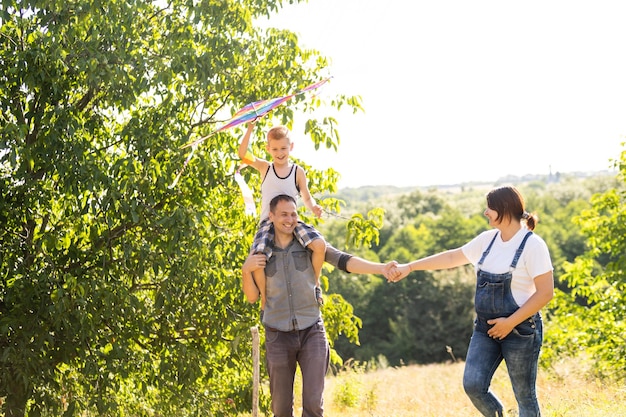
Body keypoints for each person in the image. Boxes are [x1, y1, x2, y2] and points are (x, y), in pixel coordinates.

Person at [389, 186, 554, 417]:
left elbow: (546, 293)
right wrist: (410, 267)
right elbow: (451, 257)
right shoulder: (488, 240)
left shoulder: (533, 245)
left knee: (524, 396)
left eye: (489, 207)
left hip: (521, 330)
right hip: (485, 330)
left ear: (504, 209)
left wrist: (510, 322)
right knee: (474, 385)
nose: (485, 212)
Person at [241, 194, 398, 417]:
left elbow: (343, 260)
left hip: (311, 330)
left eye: (293, 214)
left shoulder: (309, 244)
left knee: (314, 405)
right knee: (280, 409)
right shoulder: (260, 251)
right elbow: (252, 297)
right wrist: (245, 270)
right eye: (284, 214)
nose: (290, 219)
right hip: (277, 335)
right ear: (271, 216)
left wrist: (381, 268)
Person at [239, 122, 326, 309]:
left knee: (319, 245)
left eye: (284, 148)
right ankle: (264, 298)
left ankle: (315, 284)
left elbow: (307, 197)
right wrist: (250, 128)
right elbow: (242, 154)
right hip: (268, 222)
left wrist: (314, 208)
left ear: (291, 147)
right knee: (259, 258)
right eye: (275, 149)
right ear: (268, 148)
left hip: (291, 221)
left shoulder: (297, 171)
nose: (280, 153)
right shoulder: (265, 168)